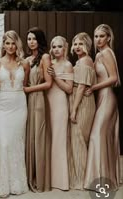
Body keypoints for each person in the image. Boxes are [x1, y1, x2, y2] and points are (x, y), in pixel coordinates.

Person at [0, 30, 30, 197]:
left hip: (20, 105)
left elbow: (24, 86)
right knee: (4, 143)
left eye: (13, 43)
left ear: (17, 45)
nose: (11, 46)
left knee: (17, 144)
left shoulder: (24, 63)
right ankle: (4, 186)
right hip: (3, 106)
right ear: (3, 45)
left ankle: (18, 184)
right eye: (7, 43)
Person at [84, 24, 121, 191]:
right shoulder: (98, 54)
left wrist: (93, 88)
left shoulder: (106, 53)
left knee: (97, 136)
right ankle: (104, 178)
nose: (98, 39)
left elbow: (113, 78)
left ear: (108, 38)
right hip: (101, 98)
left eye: (101, 36)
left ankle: (101, 182)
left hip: (107, 98)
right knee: (102, 137)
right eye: (96, 36)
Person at [24, 27, 52, 192]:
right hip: (27, 101)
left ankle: (40, 179)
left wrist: (29, 90)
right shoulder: (27, 59)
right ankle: (30, 175)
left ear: (40, 40)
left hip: (39, 99)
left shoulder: (45, 57)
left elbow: (48, 83)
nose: (31, 42)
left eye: (34, 38)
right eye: (28, 39)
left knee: (39, 137)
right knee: (31, 136)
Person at [68, 32, 96, 190]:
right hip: (83, 101)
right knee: (79, 140)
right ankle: (81, 177)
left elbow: (81, 87)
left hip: (82, 103)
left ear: (87, 45)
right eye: (75, 44)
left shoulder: (85, 61)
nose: (77, 47)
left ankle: (83, 180)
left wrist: (74, 109)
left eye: (81, 44)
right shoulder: (81, 61)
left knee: (79, 140)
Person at [47, 36, 73, 190]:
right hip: (48, 102)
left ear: (64, 48)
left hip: (60, 104)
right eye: (54, 46)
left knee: (59, 139)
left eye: (59, 46)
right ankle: (49, 178)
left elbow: (69, 89)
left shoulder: (68, 65)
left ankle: (61, 181)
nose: (56, 49)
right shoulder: (50, 63)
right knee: (49, 140)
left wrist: (55, 77)